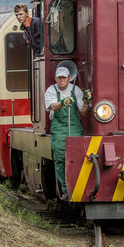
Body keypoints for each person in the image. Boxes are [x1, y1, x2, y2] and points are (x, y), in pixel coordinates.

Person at [44, 66, 91, 200]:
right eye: (59, 78)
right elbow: (52, 106)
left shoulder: (75, 90)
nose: (62, 80)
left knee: (78, 157)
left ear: (69, 78)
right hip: (59, 128)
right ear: (55, 78)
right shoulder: (51, 90)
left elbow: (82, 111)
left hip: (75, 127)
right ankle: (66, 189)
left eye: (64, 78)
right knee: (60, 159)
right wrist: (63, 103)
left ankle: (79, 186)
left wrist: (87, 102)